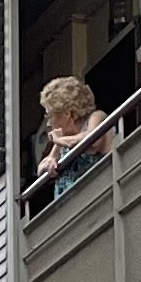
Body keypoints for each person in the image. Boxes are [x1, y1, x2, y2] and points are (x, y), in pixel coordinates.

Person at [31, 73, 112, 206]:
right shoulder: (63, 138)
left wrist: (60, 141)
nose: (49, 123)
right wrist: (48, 164)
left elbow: (93, 141)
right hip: (70, 212)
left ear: (67, 114)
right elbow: (44, 165)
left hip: (98, 201)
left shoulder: (96, 117)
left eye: (50, 116)